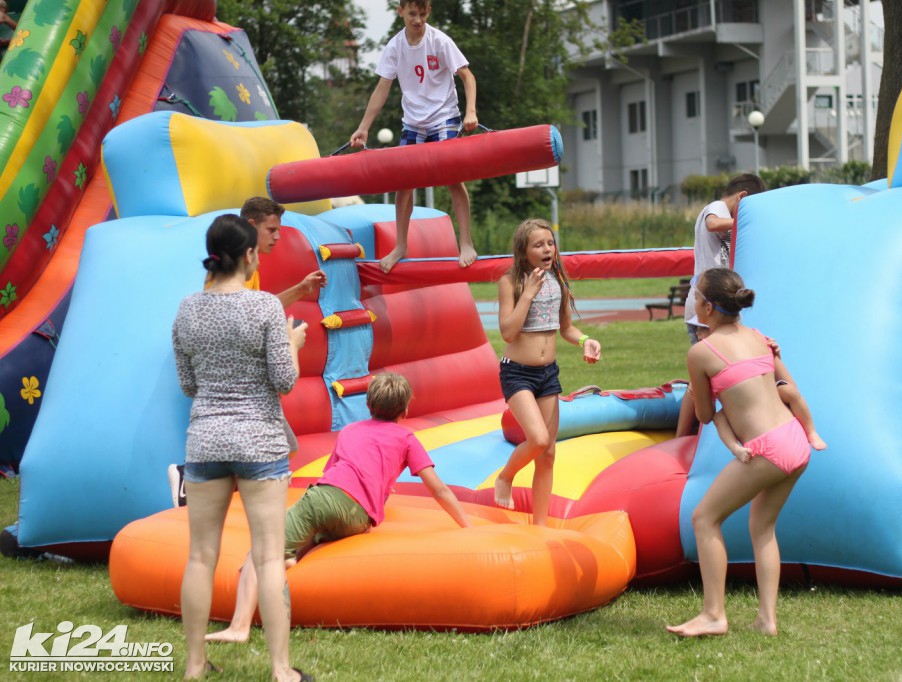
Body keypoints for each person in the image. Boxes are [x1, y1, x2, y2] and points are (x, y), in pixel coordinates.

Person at [205, 372, 472, 644]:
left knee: (263, 547)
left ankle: (239, 627)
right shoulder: (407, 438)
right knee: (317, 524)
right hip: (360, 519)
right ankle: (290, 554)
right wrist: (467, 525)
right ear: (405, 410)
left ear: (368, 405)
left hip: (329, 498)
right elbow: (438, 488)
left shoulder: (350, 430)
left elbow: (329, 476)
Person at [172, 215, 310, 681]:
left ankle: (194, 667)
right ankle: (280, 670)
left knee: (199, 556)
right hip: (259, 441)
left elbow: (189, 385)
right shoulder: (266, 308)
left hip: (205, 439)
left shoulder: (187, 309)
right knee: (270, 556)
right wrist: (292, 342)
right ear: (250, 256)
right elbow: (285, 381)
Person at [667, 267, 814, 638]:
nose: (693, 300)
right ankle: (767, 620)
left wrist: (721, 398)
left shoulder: (702, 352)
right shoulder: (760, 338)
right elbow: (789, 388)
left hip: (767, 447)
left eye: (696, 295)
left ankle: (714, 614)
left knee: (704, 518)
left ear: (709, 307)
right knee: (762, 526)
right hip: (794, 439)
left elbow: (703, 415)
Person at [168, 197, 327, 507]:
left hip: (219, 420)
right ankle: (190, 479)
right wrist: (289, 345)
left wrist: (300, 290)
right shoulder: (225, 279)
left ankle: (199, 484)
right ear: (249, 233)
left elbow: (254, 310)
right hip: (245, 400)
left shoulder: (195, 304)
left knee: (284, 446)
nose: (278, 237)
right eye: (272, 230)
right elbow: (281, 375)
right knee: (276, 451)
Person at [348, 0, 478, 273]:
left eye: (422, 14)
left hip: (444, 116)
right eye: (411, 14)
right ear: (401, 12)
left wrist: (470, 112)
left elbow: (467, 77)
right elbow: (382, 89)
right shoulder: (395, 46)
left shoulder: (440, 41)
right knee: (403, 183)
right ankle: (401, 245)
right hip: (414, 122)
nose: (417, 20)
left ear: (428, 12)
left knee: (452, 178)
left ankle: (465, 242)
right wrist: (364, 126)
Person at [493, 219, 601, 526]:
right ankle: (505, 477)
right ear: (523, 251)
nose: (547, 249)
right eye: (538, 245)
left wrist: (585, 340)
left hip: (547, 375)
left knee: (548, 454)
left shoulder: (559, 281)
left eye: (550, 243)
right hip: (517, 374)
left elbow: (566, 328)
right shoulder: (510, 282)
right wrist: (527, 294)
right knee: (538, 439)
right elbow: (507, 333)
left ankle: (539, 525)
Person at [677, 317, 827, 451]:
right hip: (739, 406)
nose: (697, 334)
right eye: (696, 329)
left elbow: (783, 382)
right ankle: (735, 448)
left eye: (702, 330)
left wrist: (773, 356)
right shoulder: (705, 357)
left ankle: (811, 431)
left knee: (789, 391)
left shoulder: (747, 342)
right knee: (719, 419)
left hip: (763, 401)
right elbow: (706, 414)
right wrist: (697, 390)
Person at [683, 174, 766, 346]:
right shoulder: (718, 206)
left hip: (713, 306)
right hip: (706, 308)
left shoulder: (728, 218)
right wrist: (745, 222)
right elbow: (712, 224)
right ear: (741, 197)